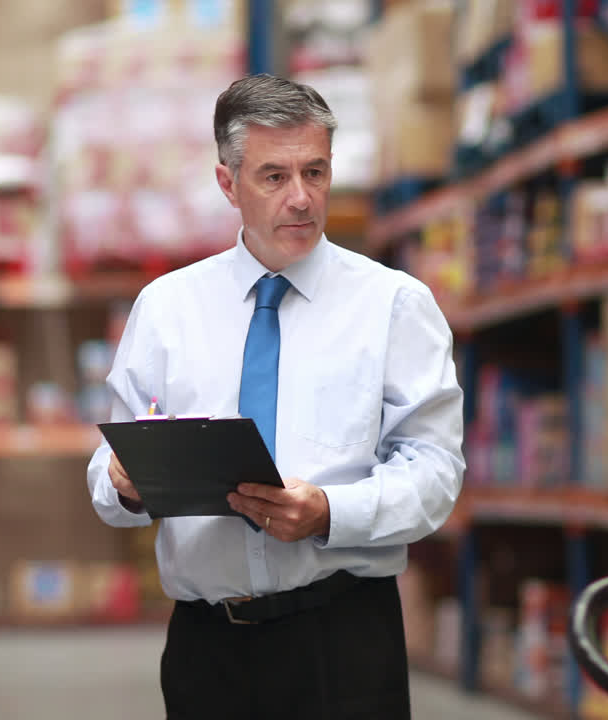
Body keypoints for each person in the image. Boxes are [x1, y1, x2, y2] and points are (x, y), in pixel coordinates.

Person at [84, 74, 465, 720]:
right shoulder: (168, 310)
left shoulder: (394, 306)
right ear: (227, 183)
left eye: (315, 173)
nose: (301, 198)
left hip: (342, 641)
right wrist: (125, 482)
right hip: (209, 651)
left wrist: (329, 512)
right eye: (274, 177)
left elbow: (435, 475)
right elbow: (107, 473)